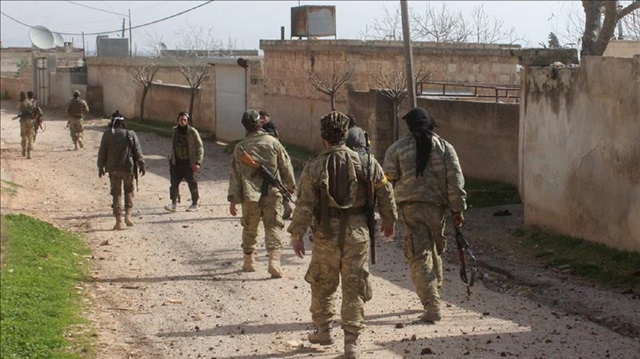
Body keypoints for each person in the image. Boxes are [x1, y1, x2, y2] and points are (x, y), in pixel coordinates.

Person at [288, 111, 397, 359]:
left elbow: (304, 204)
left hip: (326, 234)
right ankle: (351, 343)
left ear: (324, 137)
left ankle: (323, 330)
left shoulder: (314, 166)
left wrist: (297, 234)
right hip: (357, 234)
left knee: (322, 283)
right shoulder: (368, 163)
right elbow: (385, 191)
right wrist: (389, 220)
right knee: (354, 284)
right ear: (346, 135)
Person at [382, 107, 467, 323]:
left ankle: (431, 305)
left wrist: (387, 215)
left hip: (410, 209)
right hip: (437, 209)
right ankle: (433, 294)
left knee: (419, 256)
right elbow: (455, 180)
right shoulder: (446, 148)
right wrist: (458, 209)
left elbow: (386, 184)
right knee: (433, 250)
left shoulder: (396, 149)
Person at [228, 109, 296, 278]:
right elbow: (286, 166)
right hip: (272, 193)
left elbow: (235, 175)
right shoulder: (273, 142)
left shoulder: (240, 147)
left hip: (250, 195)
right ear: (260, 123)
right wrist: (290, 186)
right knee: (273, 226)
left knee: (250, 227)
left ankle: (249, 261)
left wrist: (233, 200)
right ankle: (274, 261)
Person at [97, 111, 146, 230]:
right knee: (129, 191)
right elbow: (138, 152)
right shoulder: (130, 134)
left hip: (113, 169)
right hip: (128, 168)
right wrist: (141, 165)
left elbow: (102, 152)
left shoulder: (108, 134)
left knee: (116, 194)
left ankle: (118, 220)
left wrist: (100, 167)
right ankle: (128, 215)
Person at [165, 112, 204, 212]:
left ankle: (195, 203)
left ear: (187, 121)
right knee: (174, 183)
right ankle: (173, 203)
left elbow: (200, 147)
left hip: (188, 163)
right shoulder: (174, 131)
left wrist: (197, 162)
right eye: (181, 120)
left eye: (185, 120)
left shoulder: (192, 132)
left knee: (192, 183)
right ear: (177, 120)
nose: (182, 122)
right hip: (176, 162)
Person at [259, 110, 294, 219]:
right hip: (271, 161)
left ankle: (285, 206)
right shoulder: (263, 128)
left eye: (264, 117)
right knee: (277, 185)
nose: (262, 119)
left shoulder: (269, 127)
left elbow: (272, 139)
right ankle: (285, 206)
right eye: (261, 117)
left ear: (269, 117)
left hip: (271, 162)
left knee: (275, 185)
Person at [16, 91, 35, 159]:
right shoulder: (31, 102)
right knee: (30, 136)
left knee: (24, 136)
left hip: (24, 121)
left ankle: (24, 150)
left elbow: (20, 112)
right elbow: (34, 110)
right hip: (30, 121)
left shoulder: (22, 103)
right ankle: (29, 153)